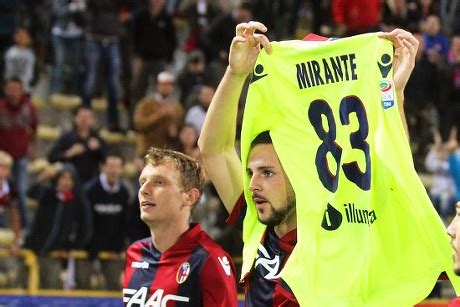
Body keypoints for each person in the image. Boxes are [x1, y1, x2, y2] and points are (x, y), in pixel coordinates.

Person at [198, 21, 418, 305]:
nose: (253, 184)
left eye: (267, 173)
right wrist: (235, 73)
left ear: (302, 172)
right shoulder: (257, 224)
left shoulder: (345, 232)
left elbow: (397, 175)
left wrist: (393, 95)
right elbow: (214, 150)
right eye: (251, 172)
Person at [123, 147, 238, 306]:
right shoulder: (135, 253)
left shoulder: (209, 260)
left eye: (159, 182)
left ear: (189, 197)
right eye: (143, 182)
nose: (143, 190)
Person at [0, 77, 38, 230]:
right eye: (11, 88)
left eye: (17, 89)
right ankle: (2, 227)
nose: (14, 92)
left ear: (22, 90)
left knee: (20, 192)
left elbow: (34, 128)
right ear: (6, 90)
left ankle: (25, 228)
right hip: (2, 158)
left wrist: (32, 146)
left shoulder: (28, 108)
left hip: (21, 156)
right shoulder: (1, 108)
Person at [48, 105, 107, 186]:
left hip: (92, 181)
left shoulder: (97, 138)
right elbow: (51, 157)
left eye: (88, 117)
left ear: (93, 120)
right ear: (75, 118)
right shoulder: (67, 137)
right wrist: (69, 153)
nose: (84, 120)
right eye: (82, 117)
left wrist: (99, 149)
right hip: (71, 183)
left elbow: (109, 158)